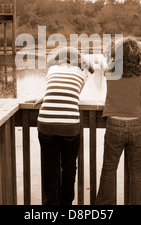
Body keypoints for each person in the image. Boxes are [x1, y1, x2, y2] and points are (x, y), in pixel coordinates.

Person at [33, 46, 94, 205]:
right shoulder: (82, 73)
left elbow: (52, 90)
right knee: (69, 166)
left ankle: (51, 203)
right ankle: (66, 203)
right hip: (69, 124)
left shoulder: (52, 70)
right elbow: (74, 93)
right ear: (78, 60)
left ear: (57, 58)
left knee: (50, 165)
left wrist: (44, 97)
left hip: (46, 121)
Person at [95, 36, 141, 205]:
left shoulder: (110, 70)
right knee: (137, 172)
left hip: (114, 124)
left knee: (109, 170)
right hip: (136, 124)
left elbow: (101, 64)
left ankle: (104, 209)